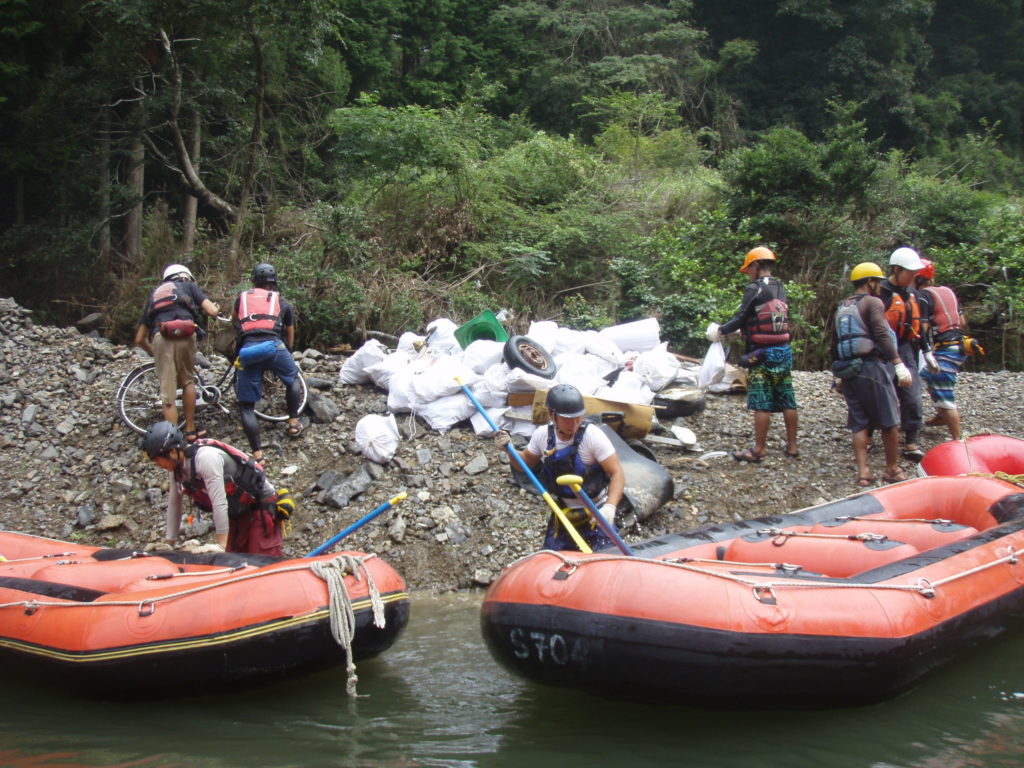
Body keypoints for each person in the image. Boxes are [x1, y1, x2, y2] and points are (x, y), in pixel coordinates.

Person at [495, 384, 625, 552]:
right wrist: (509, 449)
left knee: (607, 561)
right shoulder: (543, 436)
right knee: (556, 562)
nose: (574, 423)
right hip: (563, 513)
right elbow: (525, 464)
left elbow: (617, 473)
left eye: (578, 417)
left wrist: (610, 507)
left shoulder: (593, 436)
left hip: (596, 512)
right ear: (551, 414)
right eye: (568, 419)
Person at [707, 246, 798, 462]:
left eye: (749, 268)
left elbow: (740, 317)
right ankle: (793, 447)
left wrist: (720, 331)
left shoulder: (754, 288)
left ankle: (759, 449)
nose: (748, 273)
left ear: (756, 266)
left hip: (762, 354)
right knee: (787, 398)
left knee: (761, 401)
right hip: (784, 352)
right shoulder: (780, 287)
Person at [143, 420, 288, 556]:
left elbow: (219, 502)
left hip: (260, 506)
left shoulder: (205, 459)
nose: (158, 464)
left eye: (157, 459)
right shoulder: (176, 469)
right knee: (235, 562)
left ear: (172, 452)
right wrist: (169, 544)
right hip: (237, 511)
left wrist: (220, 546)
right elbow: (174, 504)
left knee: (261, 560)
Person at [831, 262, 914, 486]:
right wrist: (897, 362)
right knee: (889, 421)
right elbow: (881, 333)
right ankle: (892, 469)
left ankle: (863, 472)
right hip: (870, 367)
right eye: (877, 281)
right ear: (870, 282)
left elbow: (835, 341)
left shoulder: (842, 305)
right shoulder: (873, 302)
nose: (880, 286)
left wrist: (836, 375)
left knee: (859, 422)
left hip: (848, 370)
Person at [133, 264, 220, 442]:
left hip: (161, 337)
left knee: (168, 393)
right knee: (188, 381)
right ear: (185, 276)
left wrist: (154, 353)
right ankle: (190, 429)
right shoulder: (188, 286)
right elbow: (211, 311)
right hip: (187, 334)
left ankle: (174, 437)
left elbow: (139, 338)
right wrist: (217, 308)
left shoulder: (154, 295)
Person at [232, 262, 305, 463]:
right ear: (274, 282)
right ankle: (293, 423)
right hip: (274, 346)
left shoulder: (242, 299)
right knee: (292, 379)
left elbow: (235, 322)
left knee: (246, 406)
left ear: (254, 281)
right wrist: (288, 350)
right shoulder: (281, 301)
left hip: (248, 349)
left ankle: (258, 456)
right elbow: (289, 331)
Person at [878, 247, 929, 461]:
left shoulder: (913, 295)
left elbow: (920, 328)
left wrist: (928, 352)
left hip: (907, 347)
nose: (913, 276)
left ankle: (910, 441)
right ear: (896, 269)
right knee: (882, 393)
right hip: (882, 347)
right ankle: (874, 434)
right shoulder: (881, 292)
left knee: (912, 397)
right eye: (910, 272)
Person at [915, 259, 972, 440]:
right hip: (959, 346)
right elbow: (962, 322)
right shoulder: (948, 291)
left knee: (943, 391)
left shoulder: (923, 296)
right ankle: (941, 416)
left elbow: (921, 329)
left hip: (946, 349)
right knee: (925, 374)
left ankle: (958, 439)